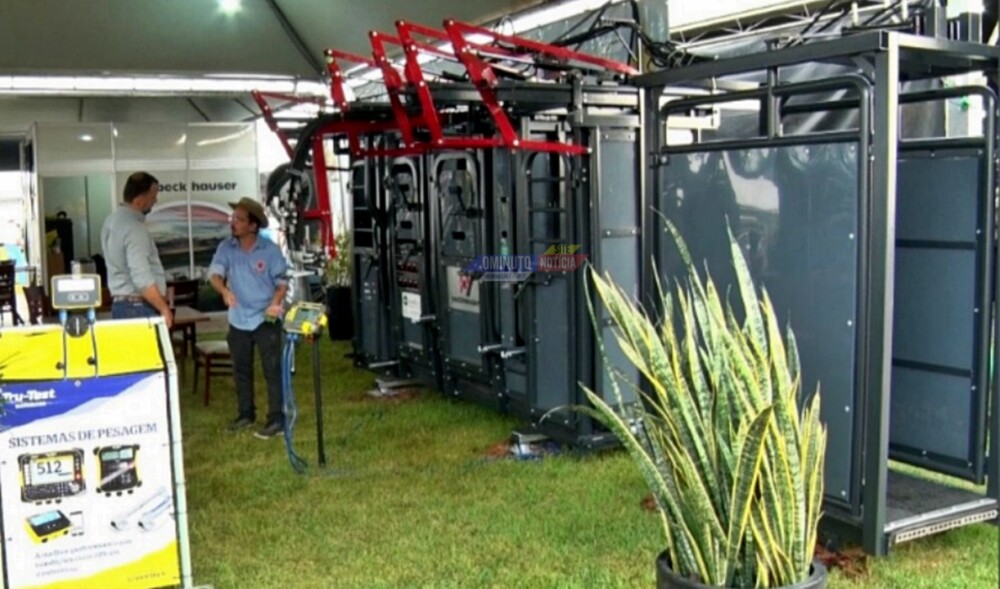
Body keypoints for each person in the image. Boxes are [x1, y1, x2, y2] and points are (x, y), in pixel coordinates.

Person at [207, 197, 288, 439]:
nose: (233, 223)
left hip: (265, 318)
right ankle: (245, 414)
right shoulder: (226, 248)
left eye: (239, 219)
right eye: (233, 218)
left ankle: (276, 419)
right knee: (241, 369)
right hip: (238, 319)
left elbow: (282, 283)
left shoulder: (270, 251)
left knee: (272, 370)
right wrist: (224, 291)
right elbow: (214, 274)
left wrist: (275, 304)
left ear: (253, 226)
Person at [100, 171, 172, 328]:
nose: (155, 201)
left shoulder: (110, 221)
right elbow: (142, 278)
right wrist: (163, 308)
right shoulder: (135, 229)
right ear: (139, 201)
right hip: (138, 307)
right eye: (152, 197)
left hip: (120, 306)